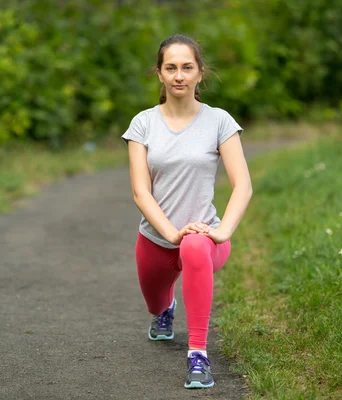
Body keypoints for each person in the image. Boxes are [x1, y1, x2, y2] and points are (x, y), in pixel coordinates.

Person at [121, 34, 253, 389]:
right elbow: (140, 190)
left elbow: (243, 185)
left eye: (187, 67)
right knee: (154, 301)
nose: (179, 75)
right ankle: (164, 309)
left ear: (199, 73)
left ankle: (198, 355)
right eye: (171, 68)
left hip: (204, 237)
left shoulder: (219, 121)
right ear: (160, 75)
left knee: (194, 245)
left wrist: (221, 231)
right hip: (156, 239)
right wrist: (170, 233)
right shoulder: (143, 123)